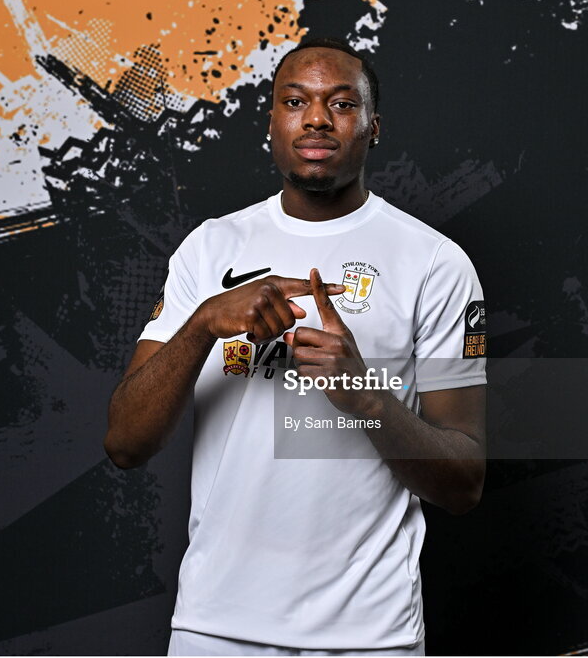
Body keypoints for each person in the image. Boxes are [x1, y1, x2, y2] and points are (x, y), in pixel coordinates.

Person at [105, 37, 487, 656]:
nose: (315, 118)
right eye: (295, 101)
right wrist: (204, 324)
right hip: (217, 628)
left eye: (341, 104)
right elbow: (125, 442)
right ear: (273, 122)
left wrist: (362, 392)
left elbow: (463, 483)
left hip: (369, 634)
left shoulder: (435, 264)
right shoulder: (210, 249)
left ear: (373, 127)